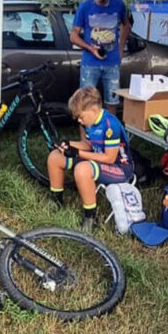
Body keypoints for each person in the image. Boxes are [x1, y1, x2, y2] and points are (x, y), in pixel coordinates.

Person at [46, 86, 134, 232]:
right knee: (55, 157)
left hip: (120, 168)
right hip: (99, 159)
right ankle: (56, 200)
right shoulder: (91, 122)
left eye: (81, 117)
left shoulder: (110, 124)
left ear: (93, 111)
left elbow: (109, 158)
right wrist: (66, 144)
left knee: (83, 169)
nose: (79, 121)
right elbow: (88, 144)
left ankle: (91, 218)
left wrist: (77, 153)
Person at [70, 0, 131, 113]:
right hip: (90, 64)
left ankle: (110, 134)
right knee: (85, 103)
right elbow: (73, 36)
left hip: (112, 63)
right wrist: (91, 49)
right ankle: (85, 136)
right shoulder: (85, 7)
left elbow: (126, 25)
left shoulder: (118, 5)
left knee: (112, 102)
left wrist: (120, 49)